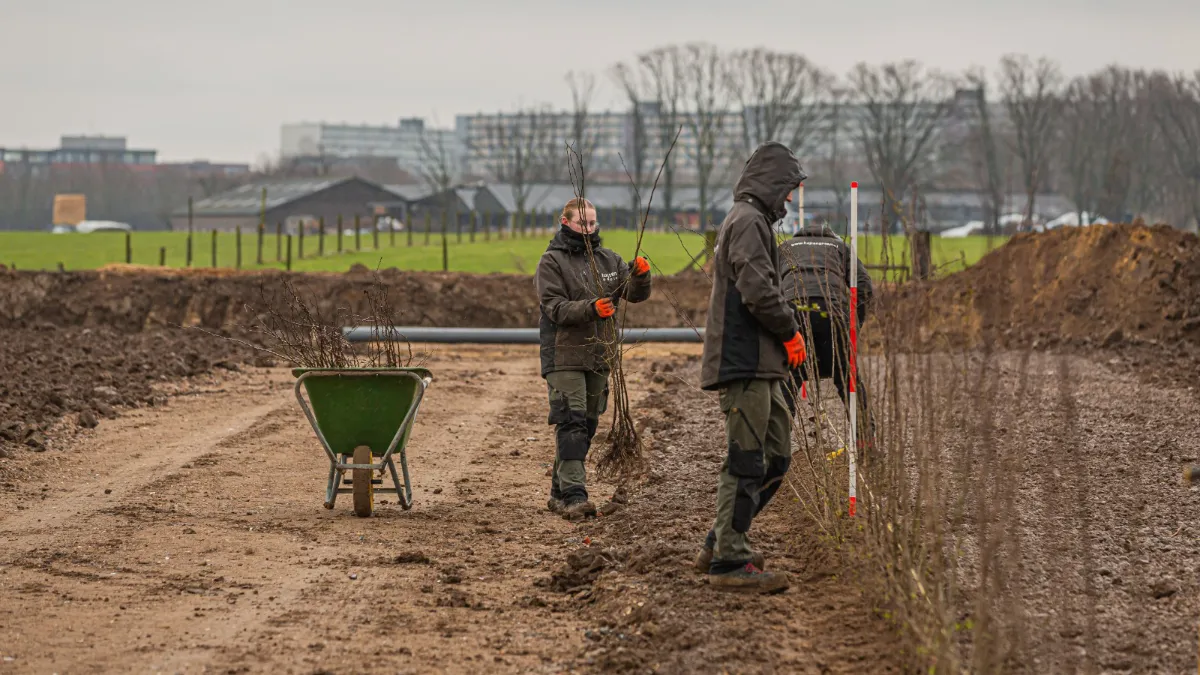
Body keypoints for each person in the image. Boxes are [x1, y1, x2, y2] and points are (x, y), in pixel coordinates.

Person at [696, 141, 807, 593]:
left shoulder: (755, 221)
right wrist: (790, 332)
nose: (792, 199)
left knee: (777, 456)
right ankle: (729, 562)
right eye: (790, 189)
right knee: (746, 460)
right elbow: (758, 290)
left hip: (763, 364)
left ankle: (721, 540)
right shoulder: (746, 222)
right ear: (773, 184)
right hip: (743, 360)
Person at [535, 197, 652, 521]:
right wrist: (591, 308)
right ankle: (575, 495)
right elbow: (553, 306)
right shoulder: (552, 262)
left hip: (599, 355)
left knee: (586, 424)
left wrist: (640, 275)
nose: (588, 228)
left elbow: (635, 293)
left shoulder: (609, 260)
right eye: (582, 223)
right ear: (565, 222)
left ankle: (559, 492)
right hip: (564, 355)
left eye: (592, 222)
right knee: (570, 422)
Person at [777, 216, 875, 451]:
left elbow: (767, 288)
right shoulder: (841, 247)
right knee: (848, 379)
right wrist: (854, 324)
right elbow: (864, 287)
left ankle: (777, 446)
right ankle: (865, 443)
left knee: (787, 380)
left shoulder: (783, 248)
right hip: (834, 313)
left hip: (793, 314)